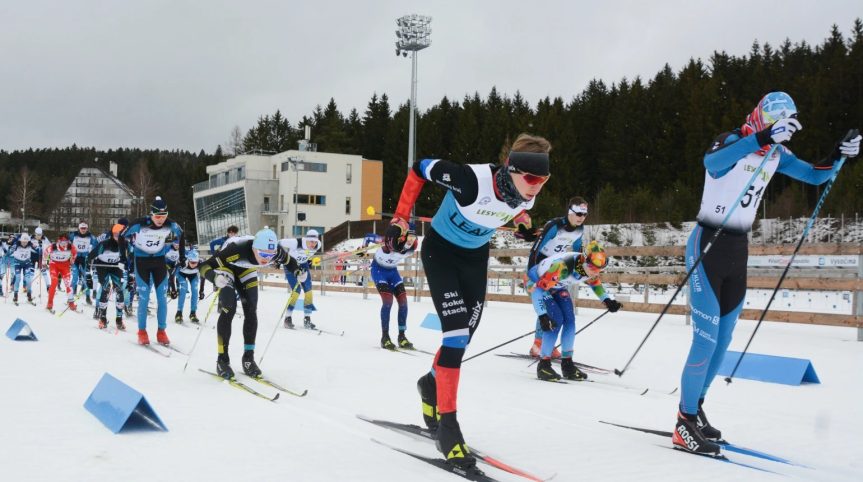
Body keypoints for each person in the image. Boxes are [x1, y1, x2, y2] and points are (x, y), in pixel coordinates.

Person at [674, 91, 861, 456]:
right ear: (760, 116)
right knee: (705, 339)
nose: (778, 126)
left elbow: (813, 176)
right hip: (707, 244)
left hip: (737, 249)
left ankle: (696, 411)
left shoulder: (777, 154)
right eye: (773, 119)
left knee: (723, 340)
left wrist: (840, 154)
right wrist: (761, 138)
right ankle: (683, 422)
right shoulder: (733, 140)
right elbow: (712, 162)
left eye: (784, 121)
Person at [384, 133, 551, 473]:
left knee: (464, 337)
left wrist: (523, 225)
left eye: (544, 180)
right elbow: (418, 170)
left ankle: (430, 384)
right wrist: (401, 218)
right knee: (456, 335)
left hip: (474, 259)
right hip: (441, 252)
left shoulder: (526, 195)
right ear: (510, 168)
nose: (536, 187)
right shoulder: (469, 180)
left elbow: (519, 209)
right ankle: (448, 428)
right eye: (532, 178)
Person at [526, 241, 621, 381]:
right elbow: (537, 290)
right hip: (537, 283)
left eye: (599, 269)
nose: (595, 271)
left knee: (570, 321)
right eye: (592, 267)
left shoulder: (590, 267)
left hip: (557, 285)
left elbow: (594, 282)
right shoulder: (562, 267)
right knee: (556, 319)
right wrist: (542, 315)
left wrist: (607, 300)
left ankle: (567, 365)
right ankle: (543, 365)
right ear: (584, 259)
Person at [199, 228, 283, 379]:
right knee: (228, 308)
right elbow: (204, 266)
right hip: (227, 266)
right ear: (254, 248)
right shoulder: (235, 248)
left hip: (246, 269)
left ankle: (248, 359)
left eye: (270, 256)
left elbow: (292, 263)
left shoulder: (276, 250)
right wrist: (214, 278)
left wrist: (299, 273)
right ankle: (222, 359)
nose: (266, 259)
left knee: (251, 310)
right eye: (263, 254)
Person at [525, 196, 591, 357]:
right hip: (540, 268)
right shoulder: (554, 226)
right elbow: (535, 250)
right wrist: (532, 275)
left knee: (557, 309)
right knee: (547, 307)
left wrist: (582, 271)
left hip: (556, 270)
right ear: (570, 212)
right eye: (578, 214)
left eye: (584, 214)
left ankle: (544, 344)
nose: (581, 218)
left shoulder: (579, 230)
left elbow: (576, 253)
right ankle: (538, 345)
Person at [124, 196, 185, 346]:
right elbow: (121, 236)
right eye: (157, 216)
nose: (160, 220)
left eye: (163, 216)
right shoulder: (140, 224)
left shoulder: (170, 225)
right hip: (142, 260)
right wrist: (123, 256)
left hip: (158, 260)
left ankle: (161, 331)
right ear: (151, 214)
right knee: (144, 297)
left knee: (162, 298)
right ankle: (142, 331)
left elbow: (181, 235)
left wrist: (182, 257)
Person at [365, 225, 420, 350]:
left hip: (393, 273)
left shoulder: (411, 248)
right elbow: (368, 236)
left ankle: (402, 336)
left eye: (413, 237)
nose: (411, 240)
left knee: (403, 302)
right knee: (388, 301)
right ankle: (385, 337)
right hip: (379, 271)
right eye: (409, 237)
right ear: (403, 237)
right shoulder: (387, 243)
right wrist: (363, 252)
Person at [87, 224, 127, 330]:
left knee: (119, 289)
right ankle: (102, 317)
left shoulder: (125, 244)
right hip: (102, 266)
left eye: (120, 234)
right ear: (112, 234)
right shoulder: (104, 244)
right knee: (106, 288)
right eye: (116, 234)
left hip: (115, 266)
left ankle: (119, 318)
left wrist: (125, 264)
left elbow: (128, 257)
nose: (118, 236)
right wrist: (88, 275)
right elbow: (90, 257)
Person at [281, 229, 321, 330]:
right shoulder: (295, 243)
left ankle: (307, 319)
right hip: (290, 265)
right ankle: (287, 318)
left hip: (303, 265)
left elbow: (306, 255)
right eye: (311, 241)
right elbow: (277, 243)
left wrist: (310, 262)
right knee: (296, 290)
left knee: (308, 290)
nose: (313, 244)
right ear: (306, 239)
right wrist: (280, 257)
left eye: (315, 242)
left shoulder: (317, 246)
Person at [44, 234, 78, 313]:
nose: (64, 244)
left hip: (65, 265)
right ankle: (49, 303)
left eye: (65, 242)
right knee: (54, 282)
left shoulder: (71, 247)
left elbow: (75, 253)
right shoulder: (53, 246)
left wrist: (72, 260)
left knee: (68, 284)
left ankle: (71, 302)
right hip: (54, 265)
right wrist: (44, 262)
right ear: (58, 241)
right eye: (62, 242)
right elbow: (45, 252)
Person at [69, 222, 98, 305]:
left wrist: (92, 252)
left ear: (87, 228)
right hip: (75, 258)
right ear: (79, 228)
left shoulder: (91, 236)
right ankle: (70, 295)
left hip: (85, 259)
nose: (83, 230)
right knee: (75, 277)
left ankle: (88, 297)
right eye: (82, 228)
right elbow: (66, 242)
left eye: (85, 228)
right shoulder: (73, 235)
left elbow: (96, 245)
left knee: (86, 278)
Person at [6, 233, 39, 305]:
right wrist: (9, 251)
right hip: (17, 263)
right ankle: (15, 295)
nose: (24, 243)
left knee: (28, 280)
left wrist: (40, 249)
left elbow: (38, 250)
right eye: (23, 242)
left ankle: (29, 295)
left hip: (26, 264)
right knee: (18, 278)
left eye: (26, 242)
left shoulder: (30, 245)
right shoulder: (16, 245)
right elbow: (9, 252)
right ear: (20, 241)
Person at [175, 249, 201, 324]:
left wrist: (201, 290)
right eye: (192, 262)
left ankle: (193, 313)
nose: (194, 264)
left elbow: (203, 278)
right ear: (188, 260)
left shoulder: (200, 263)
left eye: (195, 262)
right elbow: (173, 274)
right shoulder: (182, 262)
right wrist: (173, 288)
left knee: (195, 291)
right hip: (181, 274)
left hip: (193, 275)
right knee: (184, 288)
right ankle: (179, 312)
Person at [32, 226, 51, 293]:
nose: (39, 236)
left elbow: (49, 248)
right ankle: (26, 286)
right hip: (32, 257)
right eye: (37, 235)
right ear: (35, 233)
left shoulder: (45, 239)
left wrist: (47, 259)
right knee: (31, 272)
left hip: (41, 257)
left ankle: (48, 286)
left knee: (44, 271)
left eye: (40, 235)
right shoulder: (31, 238)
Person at [166, 238, 182, 302]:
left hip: (175, 263)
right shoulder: (168, 248)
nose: (177, 246)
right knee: (171, 276)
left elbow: (187, 253)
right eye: (175, 244)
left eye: (178, 245)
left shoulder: (180, 248)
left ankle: (177, 289)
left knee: (176, 276)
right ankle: (171, 290)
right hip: (167, 263)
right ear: (173, 244)